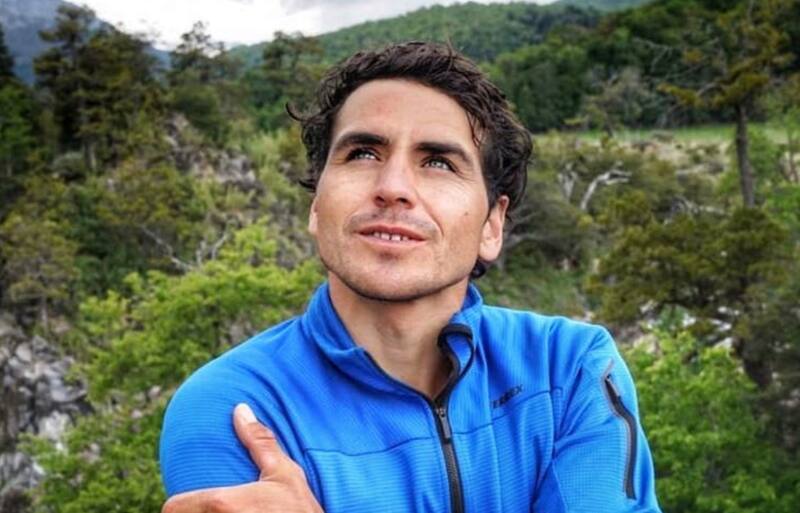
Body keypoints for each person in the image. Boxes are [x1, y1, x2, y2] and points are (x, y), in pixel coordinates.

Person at [159, 41, 662, 513]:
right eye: (362, 153)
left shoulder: (568, 367)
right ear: (316, 204)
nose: (393, 186)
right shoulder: (236, 406)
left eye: (439, 162)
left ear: (492, 225)